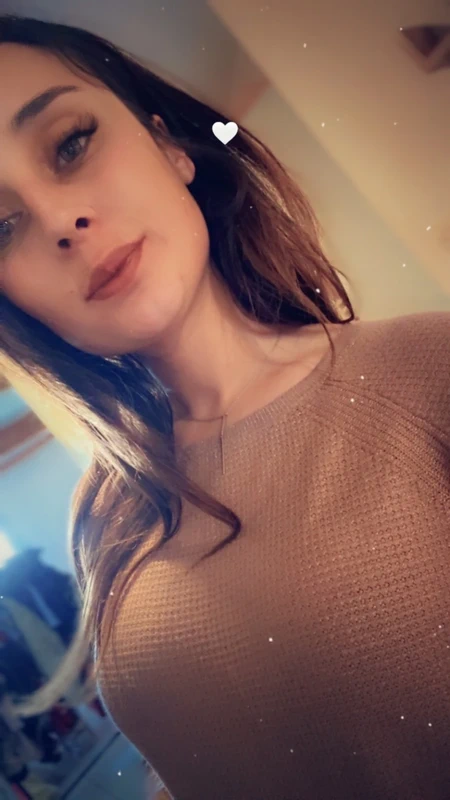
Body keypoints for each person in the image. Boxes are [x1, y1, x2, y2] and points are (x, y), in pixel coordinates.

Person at [0, 13, 449, 800]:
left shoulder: (429, 373)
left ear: (169, 145)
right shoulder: (99, 513)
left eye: (71, 143)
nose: (61, 221)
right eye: (2, 228)